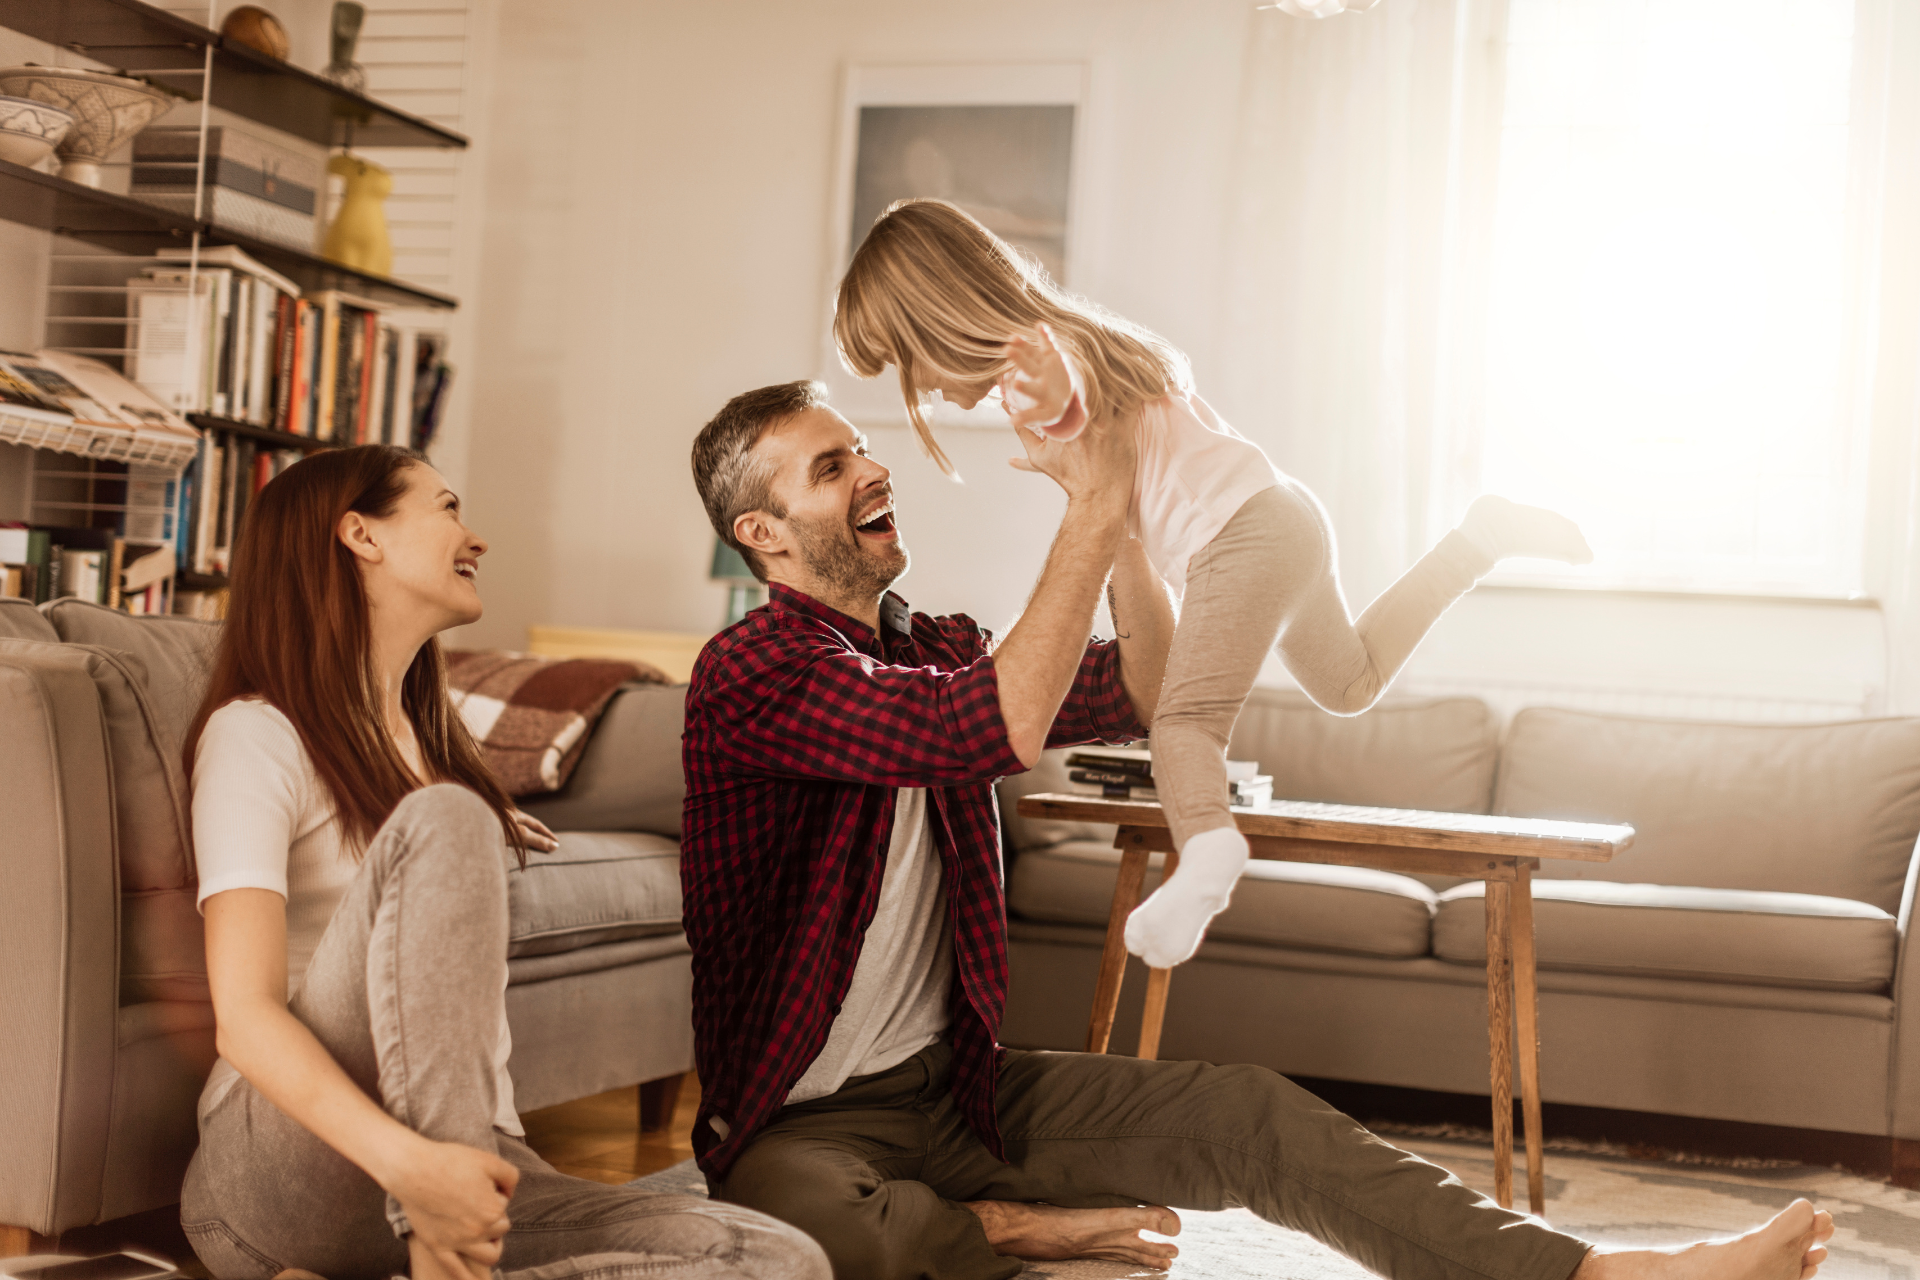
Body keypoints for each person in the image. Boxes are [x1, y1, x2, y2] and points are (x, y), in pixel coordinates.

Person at [682, 380, 1834, 1280]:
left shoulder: (930, 642)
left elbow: (1144, 682)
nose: (875, 465)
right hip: (804, 1125)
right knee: (823, 1238)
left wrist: (1123, 507)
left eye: (861, 448)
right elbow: (988, 724)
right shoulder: (748, 670)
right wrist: (1086, 505)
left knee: (1252, 1112)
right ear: (764, 532)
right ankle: (1014, 1230)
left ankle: (1604, 1270)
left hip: (953, 1091)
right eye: (834, 466)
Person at [834, 197, 1595, 973]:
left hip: (1242, 534)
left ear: (940, 318)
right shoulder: (1074, 342)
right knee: (1350, 682)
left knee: (1185, 726)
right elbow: (1109, 476)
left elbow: (1062, 393)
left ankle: (1208, 851)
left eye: (907, 358)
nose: (918, 386)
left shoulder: (1039, 359)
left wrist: (1034, 391)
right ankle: (1479, 542)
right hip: (1281, 515)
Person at [179, 444, 828, 1280]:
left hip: (479, 1164)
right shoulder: (256, 734)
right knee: (447, 814)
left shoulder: (431, 747)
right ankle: (427, 1228)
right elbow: (246, 1018)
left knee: (778, 1259)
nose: (475, 536)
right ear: (360, 536)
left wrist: (469, 839)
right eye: (446, 508)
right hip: (284, 1178)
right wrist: (418, 1170)